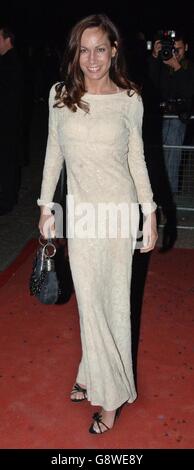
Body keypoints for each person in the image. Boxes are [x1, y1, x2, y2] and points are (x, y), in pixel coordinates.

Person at [38, 13, 158, 434]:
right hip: (83, 214)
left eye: (100, 49)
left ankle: (109, 397)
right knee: (90, 304)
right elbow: (54, 151)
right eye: (84, 49)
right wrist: (45, 206)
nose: (92, 59)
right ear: (75, 52)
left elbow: (136, 159)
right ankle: (96, 372)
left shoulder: (129, 99)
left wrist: (149, 212)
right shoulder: (60, 95)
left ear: (114, 51)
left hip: (119, 213)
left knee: (112, 302)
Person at [148, 31, 194, 194]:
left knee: (172, 157)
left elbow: (188, 92)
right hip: (159, 116)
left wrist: (177, 67)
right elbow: (150, 83)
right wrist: (154, 56)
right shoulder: (162, 65)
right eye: (172, 49)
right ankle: (155, 194)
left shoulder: (189, 68)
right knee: (155, 157)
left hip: (177, 118)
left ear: (186, 48)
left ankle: (170, 196)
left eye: (179, 49)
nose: (174, 54)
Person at [0, 26, 23, 215]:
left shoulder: (11, 63)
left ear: (7, 39)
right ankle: (9, 196)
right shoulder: (8, 61)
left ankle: (6, 200)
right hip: (9, 122)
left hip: (8, 123)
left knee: (7, 161)